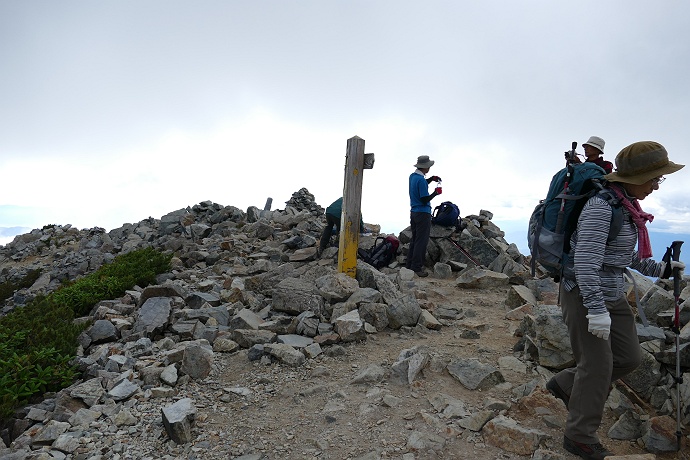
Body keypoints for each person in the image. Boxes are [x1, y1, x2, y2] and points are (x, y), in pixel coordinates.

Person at [546, 141, 684, 459]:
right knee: (597, 365)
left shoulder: (625, 206)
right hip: (583, 293)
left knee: (629, 358)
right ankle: (579, 437)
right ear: (637, 176)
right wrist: (595, 310)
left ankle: (565, 385)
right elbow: (585, 261)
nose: (656, 185)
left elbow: (621, 257)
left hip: (610, 292)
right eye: (655, 178)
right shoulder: (602, 207)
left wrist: (661, 268)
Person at [405, 155, 442, 277]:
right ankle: (417, 268)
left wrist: (431, 179)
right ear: (425, 167)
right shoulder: (421, 180)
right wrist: (436, 193)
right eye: (429, 167)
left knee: (415, 239)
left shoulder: (413, 177)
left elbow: (420, 185)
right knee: (422, 241)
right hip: (423, 213)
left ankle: (409, 265)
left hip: (414, 212)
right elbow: (424, 199)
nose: (429, 169)